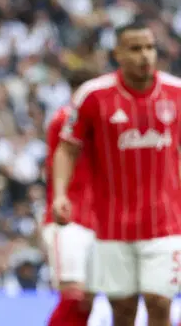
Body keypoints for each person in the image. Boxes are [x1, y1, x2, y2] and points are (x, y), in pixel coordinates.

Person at [53, 20, 181, 326]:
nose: (145, 55)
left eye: (150, 47)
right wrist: (59, 195)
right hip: (112, 227)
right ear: (117, 54)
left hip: (165, 225)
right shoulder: (93, 96)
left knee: (159, 303)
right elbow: (67, 148)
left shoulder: (176, 93)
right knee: (123, 311)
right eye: (135, 49)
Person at [42, 69, 98, 326]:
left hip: (96, 220)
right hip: (68, 218)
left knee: (87, 299)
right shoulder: (65, 119)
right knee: (73, 295)